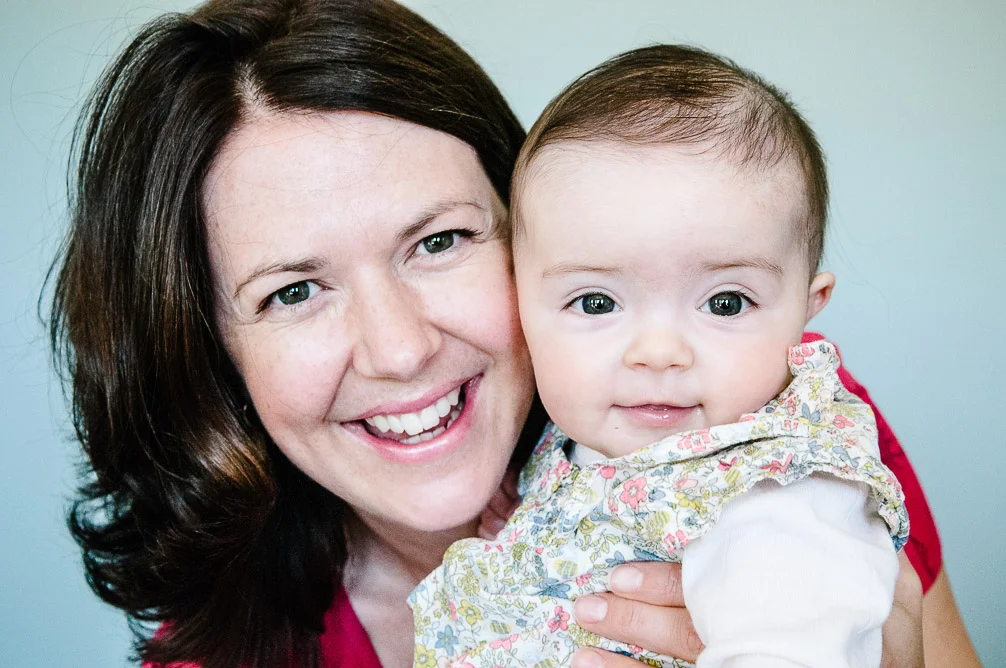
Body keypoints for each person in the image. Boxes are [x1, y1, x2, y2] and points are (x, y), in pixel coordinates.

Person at [47, 1, 976, 667]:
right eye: (294, 291)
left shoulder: (761, 432)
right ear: (212, 351)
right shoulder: (222, 653)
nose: (400, 349)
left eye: (440, 241)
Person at [411, 44, 910, 668]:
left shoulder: (780, 489)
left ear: (809, 309)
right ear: (518, 303)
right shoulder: (585, 440)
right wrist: (519, 535)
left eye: (726, 303)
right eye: (595, 303)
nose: (658, 353)